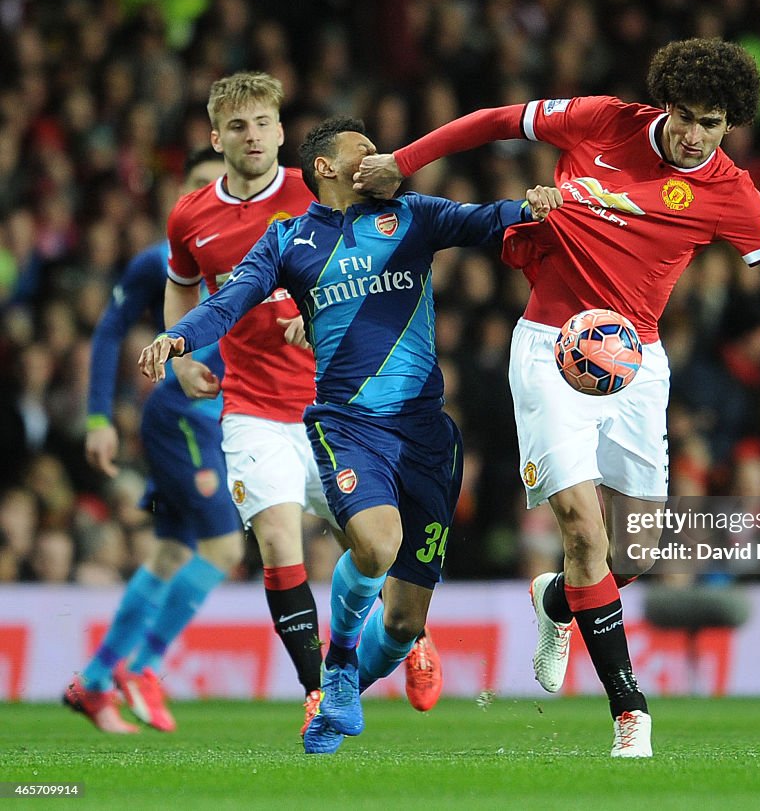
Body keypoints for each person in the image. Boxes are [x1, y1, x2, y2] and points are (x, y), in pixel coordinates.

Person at [353, 37, 760, 758]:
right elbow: (495, 119)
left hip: (636, 362)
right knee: (582, 528)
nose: (694, 135)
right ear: (663, 104)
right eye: (685, 115)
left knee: (638, 549)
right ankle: (631, 711)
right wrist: (401, 162)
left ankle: (557, 600)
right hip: (550, 343)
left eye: (712, 122)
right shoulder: (601, 120)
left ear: (733, 124)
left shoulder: (730, 192)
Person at [138, 116, 561, 754]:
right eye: (365, 153)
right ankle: (335, 671)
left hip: (425, 433)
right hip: (347, 424)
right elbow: (229, 302)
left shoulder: (414, 215)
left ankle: (340, 700)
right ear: (326, 169)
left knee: (400, 623)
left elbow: (486, 219)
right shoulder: (288, 240)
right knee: (374, 545)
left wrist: (532, 203)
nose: (381, 160)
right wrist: (178, 337)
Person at [168, 73, 444, 726]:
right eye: (237, 126)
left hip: (338, 409)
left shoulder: (316, 193)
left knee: (380, 543)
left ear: (282, 131)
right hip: (254, 410)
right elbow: (181, 285)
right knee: (277, 537)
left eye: (263, 122)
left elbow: (382, 269)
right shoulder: (190, 216)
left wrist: (321, 312)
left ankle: (411, 629)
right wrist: (182, 362)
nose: (253, 135)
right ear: (216, 137)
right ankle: (316, 688)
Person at [64, 148, 244, 734]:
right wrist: (97, 418)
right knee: (225, 549)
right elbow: (109, 331)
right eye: (195, 185)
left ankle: (93, 683)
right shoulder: (159, 260)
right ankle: (141, 668)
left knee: (169, 554)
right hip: (179, 418)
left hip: (217, 422)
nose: (206, 194)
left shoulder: (255, 254)